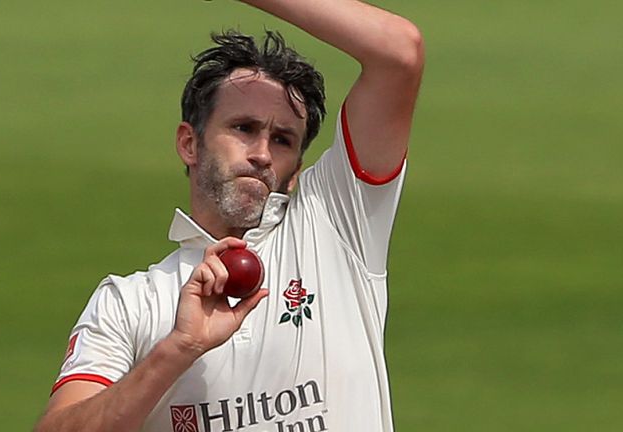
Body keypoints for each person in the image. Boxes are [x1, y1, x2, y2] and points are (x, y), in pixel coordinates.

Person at [34, 0, 424, 431]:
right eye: (243, 128)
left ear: (296, 169)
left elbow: (399, 52)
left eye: (282, 140)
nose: (261, 154)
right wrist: (178, 349)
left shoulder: (333, 223)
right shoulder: (129, 305)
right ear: (190, 144)